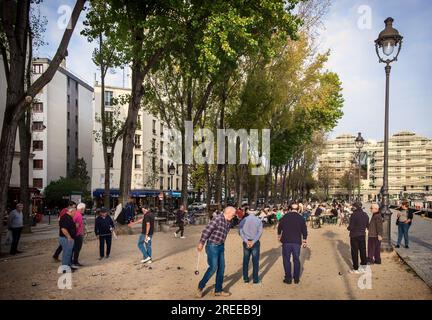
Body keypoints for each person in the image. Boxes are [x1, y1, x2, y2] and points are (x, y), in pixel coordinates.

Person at [196, 206, 236, 298]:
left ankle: (218, 290)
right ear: (228, 212)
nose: (233, 216)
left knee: (221, 268)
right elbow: (206, 231)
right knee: (213, 267)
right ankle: (200, 287)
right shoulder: (217, 219)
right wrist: (201, 243)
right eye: (233, 214)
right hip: (212, 246)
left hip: (221, 246)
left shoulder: (228, 222)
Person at [277, 203, 308, 284]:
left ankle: (288, 278)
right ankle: (296, 278)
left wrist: (279, 235)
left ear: (290, 209)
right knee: (296, 259)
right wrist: (304, 240)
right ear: (298, 209)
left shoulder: (285, 217)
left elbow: (279, 227)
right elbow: (304, 230)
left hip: (286, 241)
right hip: (297, 242)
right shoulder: (301, 218)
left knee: (286, 259)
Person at [239, 209, 263, 284]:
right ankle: (255, 279)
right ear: (255, 212)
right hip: (255, 242)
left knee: (246, 260)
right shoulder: (258, 220)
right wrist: (253, 241)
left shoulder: (243, 220)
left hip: (246, 241)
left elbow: (240, 231)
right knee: (255, 261)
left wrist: (246, 240)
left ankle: (245, 278)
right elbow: (260, 232)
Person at [347, 202, 369, 274]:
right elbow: (367, 226)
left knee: (354, 252)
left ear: (355, 207)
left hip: (354, 235)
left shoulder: (354, 215)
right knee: (363, 250)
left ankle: (356, 268)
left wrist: (348, 228)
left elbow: (351, 227)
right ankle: (363, 267)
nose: (352, 207)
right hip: (362, 235)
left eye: (353, 206)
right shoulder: (365, 214)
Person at [72, 203, 85, 267]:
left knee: (74, 248)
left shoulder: (75, 213)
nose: (84, 210)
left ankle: (73, 261)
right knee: (77, 248)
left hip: (75, 234)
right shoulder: (79, 215)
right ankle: (75, 261)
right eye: (83, 209)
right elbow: (76, 226)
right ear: (82, 209)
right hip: (78, 234)